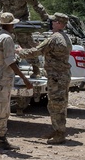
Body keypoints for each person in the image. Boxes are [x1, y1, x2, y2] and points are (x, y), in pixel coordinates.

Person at [18, 12, 72, 145]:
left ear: (59, 23)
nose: (51, 23)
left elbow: (36, 51)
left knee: (56, 105)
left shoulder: (54, 38)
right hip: (62, 75)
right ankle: (57, 130)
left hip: (56, 76)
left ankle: (60, 134)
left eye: (54, 21)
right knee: (60, 103)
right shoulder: (65, 37)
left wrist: (20, 52)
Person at [0, 12, 33, 153]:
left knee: (4, 110)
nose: (14, 25)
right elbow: (10, 61)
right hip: (3, 78)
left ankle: (1, 139)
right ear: (9, 24)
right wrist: (24, 78)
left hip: (1, 77)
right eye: (13, 23)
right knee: (0, 110)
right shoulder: (6, 38)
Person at [0, 0, 49, 78]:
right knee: (5, 44)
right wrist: (3, 17)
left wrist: (45, 18)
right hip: (8, 21)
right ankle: (7, 69)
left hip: (22, 20)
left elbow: (36, 4)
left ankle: (36, 69)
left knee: (27, 43)